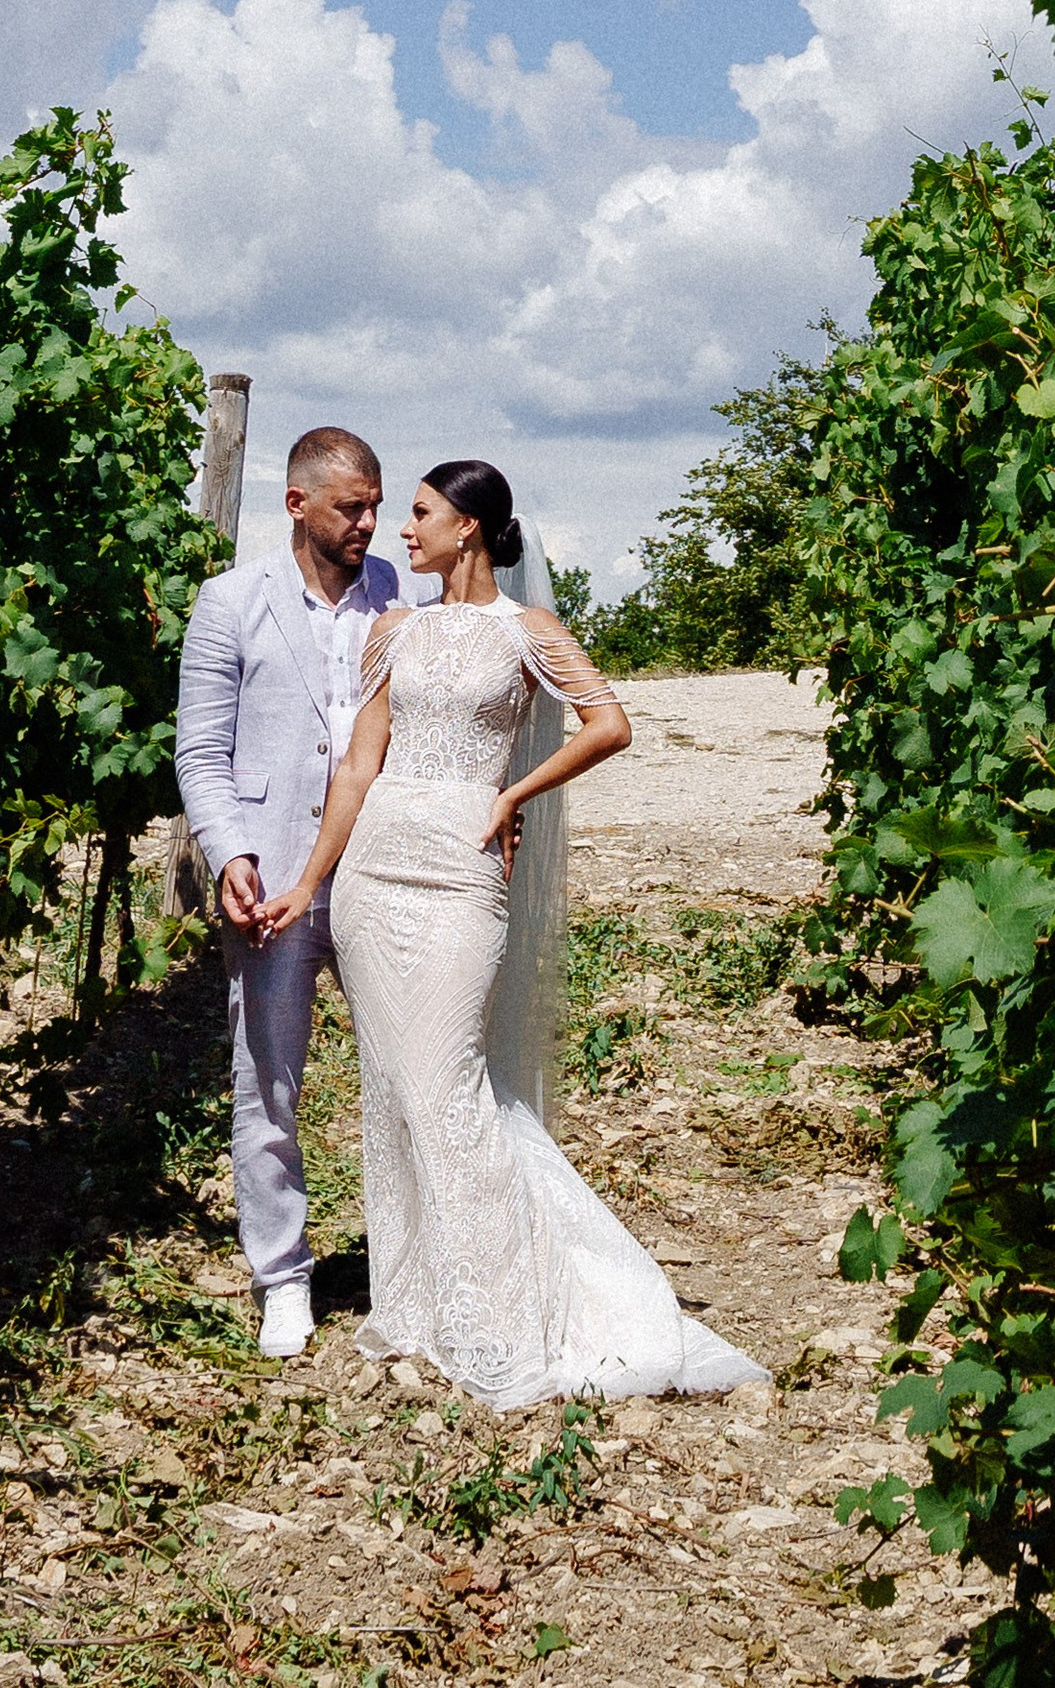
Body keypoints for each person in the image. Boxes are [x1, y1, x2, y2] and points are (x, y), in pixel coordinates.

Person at [256, 456, 766, 1408]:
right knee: (393, 1094)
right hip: (374, 873)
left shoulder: (527, 631)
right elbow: (359, 768)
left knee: (447, 1085)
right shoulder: (394, 629)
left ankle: (504, 1317)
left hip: (461, 867)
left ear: (468, 528)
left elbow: (609, 725)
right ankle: (419, 1306)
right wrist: (310, 884)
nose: (402, 530)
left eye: (419, 513)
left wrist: (512, 794)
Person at [174, 425, 403, 1360]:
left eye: (377, 506)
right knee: (268, 1083)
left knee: (405, 1067)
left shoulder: (392, 590)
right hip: (271, 880)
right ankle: (282, 1277)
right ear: (297, 504)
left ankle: (409, 1263)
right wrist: (229, 853)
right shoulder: (229, 601)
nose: (369, 524)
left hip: (379, 867)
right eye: (352, 507)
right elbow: (200, 751)